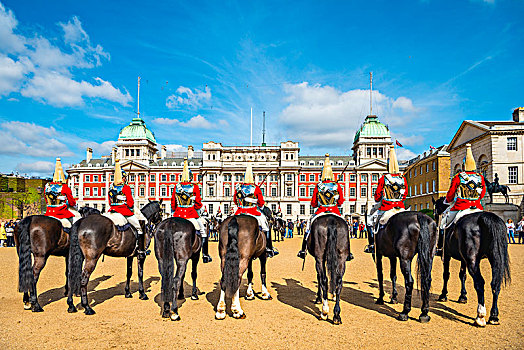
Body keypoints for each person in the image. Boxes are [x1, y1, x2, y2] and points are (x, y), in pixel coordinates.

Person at [298, 154, 353, 260]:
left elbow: (313, 203)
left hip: (321, 211)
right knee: (345, 227)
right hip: (335, 211)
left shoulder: (318, 186)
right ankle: (348, 252)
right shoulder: (337, 186)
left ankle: (303, 250)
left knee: (308, 228)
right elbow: (341, 202)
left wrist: (319, 203)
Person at [437, 144, 486, 255]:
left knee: (443, 224)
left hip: (461, 207)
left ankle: (441, 248)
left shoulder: (458, 177)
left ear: (463, 165)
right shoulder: (480, 177)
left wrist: (448, 201)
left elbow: (450, 194)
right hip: (477, 207)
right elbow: (482, 193)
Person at [365, 145, 407, 253]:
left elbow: (377, 195)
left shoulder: (384, 178)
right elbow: (405, 194)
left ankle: (372, 245)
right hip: (401, 207)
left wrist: (379, 198)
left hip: (386, 207)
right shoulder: (402, 179)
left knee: (370, 220)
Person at [171, 158, 212, 263]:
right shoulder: (194, 187)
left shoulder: (177, 187)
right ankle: (205, 254)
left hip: (177, 214)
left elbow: (173, 203)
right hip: (191, 215)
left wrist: (177, 210)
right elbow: (198, 204)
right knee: (203, 231)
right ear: (190, 177)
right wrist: (195, 205)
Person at [233, 162, 278, 257]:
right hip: (253, 211)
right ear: (253, 177)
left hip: (240, 212)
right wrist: (257, 202)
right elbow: (261, 202)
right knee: (266, 227)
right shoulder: (255, 188)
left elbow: (235, 201)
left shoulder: (238, 188)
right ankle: (269, 248)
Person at [108, 159, 145, 253]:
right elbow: (130, 203)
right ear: (123, 178)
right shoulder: (126, 187)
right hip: (124, 211)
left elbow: (110, 202)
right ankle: (140, 249)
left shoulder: (111, 188)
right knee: (138, 228)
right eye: (124, 178)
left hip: (112, 211)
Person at [44, 158, 81, 228]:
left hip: (49, 212)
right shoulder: (64, 187)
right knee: (73, 225)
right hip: (61, 212)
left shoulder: (47, 186)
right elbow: (71, 202)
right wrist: (72, 203)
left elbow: (47, 201)